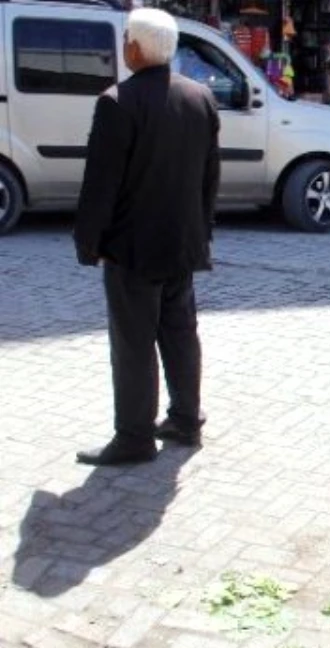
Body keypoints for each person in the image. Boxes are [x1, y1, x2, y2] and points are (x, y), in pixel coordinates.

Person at [72, 8, 220, 465]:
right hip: (182, 242)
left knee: (133, 343)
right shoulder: (200, 98)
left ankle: (134, 438)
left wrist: (88, 242)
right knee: (179, 332)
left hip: (132, 249)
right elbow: (209, 178)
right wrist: (202, 231)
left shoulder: (117, 101)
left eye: (125, 42)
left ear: (134, 48)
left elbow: (101, 184)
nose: (123, 49)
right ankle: (185, 419)